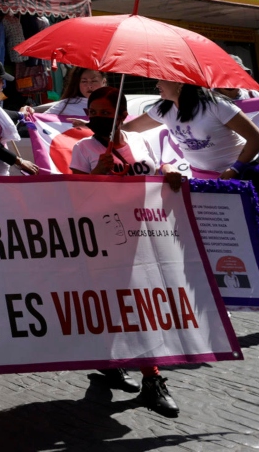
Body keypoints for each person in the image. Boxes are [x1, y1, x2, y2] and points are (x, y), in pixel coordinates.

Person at [124, 81, 259, 334]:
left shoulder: (214, 104)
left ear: (179, 81)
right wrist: (82, 126)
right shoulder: (163, 109)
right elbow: (127, 129)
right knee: (212, 244)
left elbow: (256, 138)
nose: (156, 84)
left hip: (246, 177)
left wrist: (235, 170)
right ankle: (218, 303)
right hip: (208, 185)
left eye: (162, 79)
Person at [69, 87, 182, 416]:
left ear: (122, 115)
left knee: (137, 305)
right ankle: (153, 378)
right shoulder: (83, 149)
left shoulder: (140, 141)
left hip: (146, 234)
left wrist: (170, 172)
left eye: (106, 113)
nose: (98, 118)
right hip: (107, 241)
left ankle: (113, 362)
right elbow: (75, 199)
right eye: (94, 112)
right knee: (131, 306)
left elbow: (159, 170)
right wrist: (96, 174)